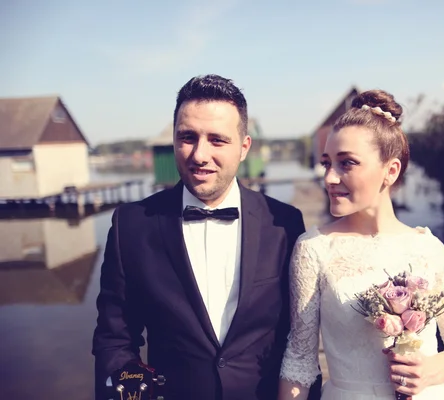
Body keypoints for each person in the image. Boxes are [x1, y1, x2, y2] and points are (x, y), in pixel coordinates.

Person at [92, 74, 322, 400]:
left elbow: (300, 338)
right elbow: (114, 338)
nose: (200, 154)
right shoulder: (131, 226)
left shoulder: (284, 223)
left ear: (244, 148)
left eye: (217, 140)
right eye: (188, 137)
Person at [277, 90, 444, 400]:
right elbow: (300, 361)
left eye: (347, 163)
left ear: (391, 170)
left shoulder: (428, 247)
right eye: (326, 163)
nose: (329, 177)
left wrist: (429, 370)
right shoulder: (314, 248)